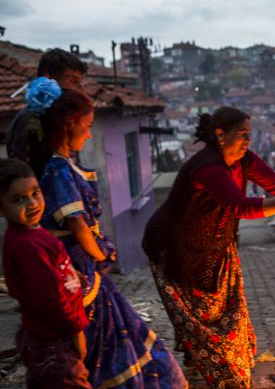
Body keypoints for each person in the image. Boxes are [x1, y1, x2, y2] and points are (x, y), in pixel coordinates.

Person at [29, 88, 186, 389]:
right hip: (82, 273)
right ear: (68, 125)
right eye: (87, 127)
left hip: (88, 272)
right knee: (107, 343)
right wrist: (101, 255)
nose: (88, 135)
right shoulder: (58, 170)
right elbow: (78, 225)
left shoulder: (59, 167)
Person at [142, 106, 275, 389]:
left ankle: (208, 363)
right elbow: (241, 206)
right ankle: (218, 373)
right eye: (242, 135)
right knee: (201, 320)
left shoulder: (243, 160)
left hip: (217, 247)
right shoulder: (207, 168)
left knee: (227, 314)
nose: (247, 142)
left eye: (249, 135)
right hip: (175, 250)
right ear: (220, 134)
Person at [0, 158, 92, 389]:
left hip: (41, 337)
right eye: (18, 199)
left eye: (35, 193)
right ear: (1, 209)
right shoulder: (27, 246)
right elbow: (51, 299)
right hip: (53, 341)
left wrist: (72, 276)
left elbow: (49, 275)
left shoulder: (34, 233)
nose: (32, 204)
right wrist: (76, 330)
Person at [7, 48, 87, 164]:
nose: (80, 90)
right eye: (73, 81)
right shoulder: (31, 119)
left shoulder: (56, 117)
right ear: (48, 77)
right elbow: (22, 171)